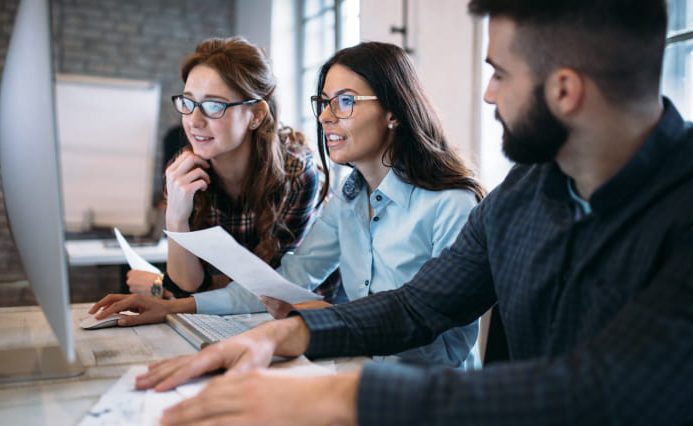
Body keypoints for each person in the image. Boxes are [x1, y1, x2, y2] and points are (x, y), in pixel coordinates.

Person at [120, 0, 693, 424]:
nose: (488, 94)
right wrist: (282, 337)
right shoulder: (525, 195)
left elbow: (612, 389)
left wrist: (338, 396)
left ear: (565, 90)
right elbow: (416, 306)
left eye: (499, 73)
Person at [92, 42, 486, 370]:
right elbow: (285, 281)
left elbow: (434, 331)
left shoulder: (451, 206)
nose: (325, 116)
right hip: (355, 375)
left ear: (393, 113)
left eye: (345, 102)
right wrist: (174, 306)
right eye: (324, 101)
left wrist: (319, 322)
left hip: (434, 397)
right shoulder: (348, 202)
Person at [119, 36, 321, 299]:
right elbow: (187, 284)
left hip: (303, 318)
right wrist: (177, 218)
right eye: (188, 102)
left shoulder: (295, 173)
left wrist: (161, 286)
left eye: (214, 105)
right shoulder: (184, 170)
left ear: (256, 115)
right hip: (223, 319)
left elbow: (269, 288)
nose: (194, 121)